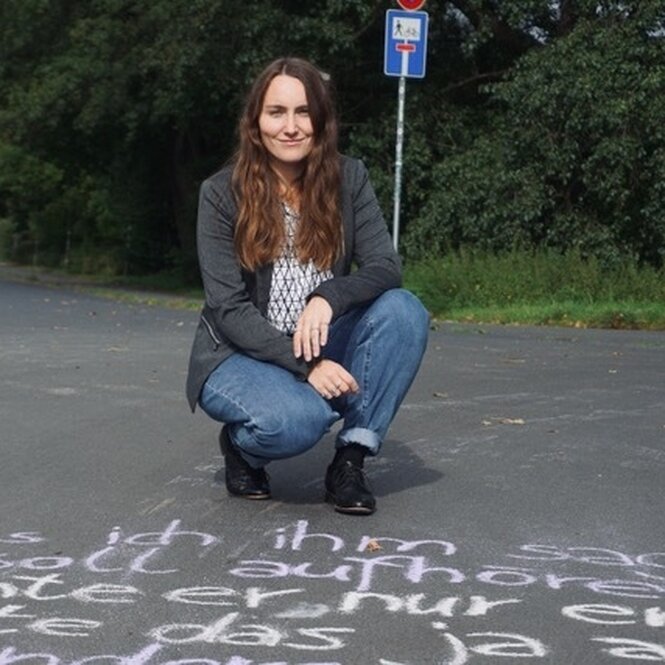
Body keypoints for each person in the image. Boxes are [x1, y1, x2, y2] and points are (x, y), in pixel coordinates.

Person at [186, 57, 429, 515]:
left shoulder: (348, 178)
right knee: (298, 422)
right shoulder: (220, 193)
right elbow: (229, 308)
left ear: (320, 120)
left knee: (404, 310)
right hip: (240, 353)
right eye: (276, 112)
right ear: (256, 123)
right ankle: (244, 448)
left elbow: (385, 266)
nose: (291, 126)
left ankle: (350, 462)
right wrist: (310, 367)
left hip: (322, 338)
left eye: (303, 112)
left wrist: (327, 296)